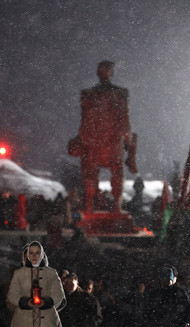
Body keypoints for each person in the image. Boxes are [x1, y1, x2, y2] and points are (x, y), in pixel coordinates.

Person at [68, 60, 137, 213]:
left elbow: (84, 123)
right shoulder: (120, 93)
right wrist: (131, 145)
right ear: (111, 73)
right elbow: (125, 122)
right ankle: (115, 207)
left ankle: (89, 205)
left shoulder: (88, 95)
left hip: (94, 142)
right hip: (112, 142)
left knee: (90, 173)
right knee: (117, 172)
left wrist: (82, 139)